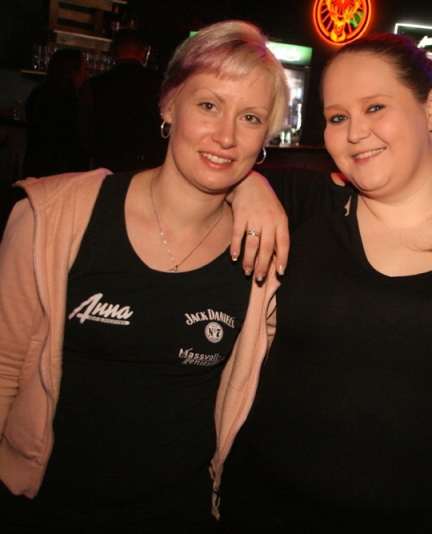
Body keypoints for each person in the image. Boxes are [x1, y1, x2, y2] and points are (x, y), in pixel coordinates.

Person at [215, 33, 432, 534]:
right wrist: (244, 184)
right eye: (338, 117)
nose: (355, 132)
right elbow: (190, 178)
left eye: (375, 107)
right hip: (266, 508)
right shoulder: (303, 204)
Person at [0, 21, 289, 532]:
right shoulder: (55, 217)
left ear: (266, 137)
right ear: (169, 105)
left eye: (250, 118)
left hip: (180, 514)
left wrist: (255, 185)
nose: (226, 136)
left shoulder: (262, 254)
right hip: (39, 509)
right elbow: (2, 369)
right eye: (208, 105)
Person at [79, 29, 167, 172]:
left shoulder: (94, 85)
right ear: (143, 53)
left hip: (106, 168)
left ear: (113, 53)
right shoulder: (161, 84)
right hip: (148, 168)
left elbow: (84, 132)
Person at [22, 48, 91, 178]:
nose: (87, 75)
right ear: (74, 74)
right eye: (85, 69)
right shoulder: (72, 103)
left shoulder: (38, 94)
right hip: (63, 174)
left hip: (35, 169)